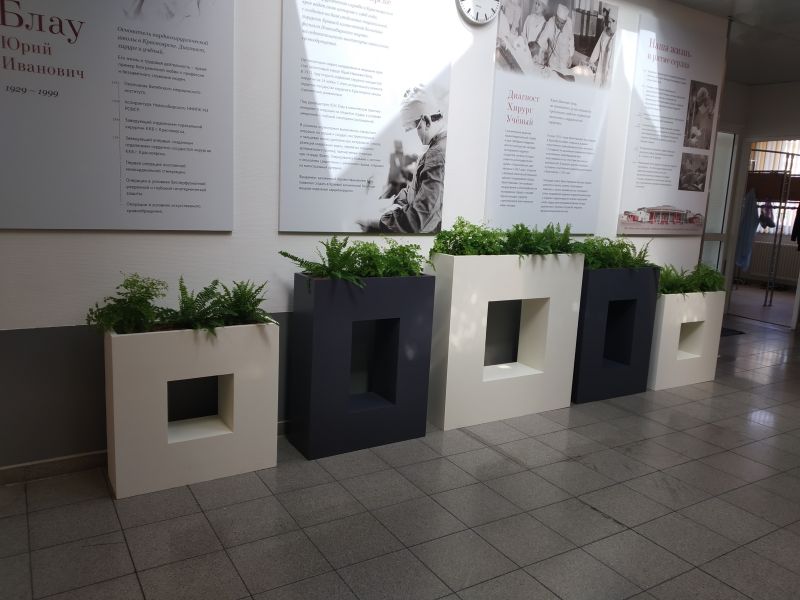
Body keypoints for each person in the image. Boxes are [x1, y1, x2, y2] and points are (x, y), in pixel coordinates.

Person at [357, 86, 447, 233]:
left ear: (426, 121)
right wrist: (393, 202)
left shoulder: (438, 155)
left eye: (410, 129)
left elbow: (418, 221)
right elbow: (416, 190)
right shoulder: (435, 147)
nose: (410, 137)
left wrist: (376, 220)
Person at [532, 4, 574, 73]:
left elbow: (571, 40)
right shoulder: (550, 23)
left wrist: (571, 56)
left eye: (562, 23)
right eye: (558, 22)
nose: (560, 25)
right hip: (553, 60)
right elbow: (542, 40)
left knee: (564, 76)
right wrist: (536, 55)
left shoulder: (569, 22)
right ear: (556, 18)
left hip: (565, 59)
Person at [587, 8, 616, 87]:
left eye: (612, 22)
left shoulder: (618, 39)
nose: (609, 25)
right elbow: (597, 49)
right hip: (600, 71)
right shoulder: (605, 32)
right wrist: (591, 62)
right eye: (609, 21)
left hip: (609, 76)